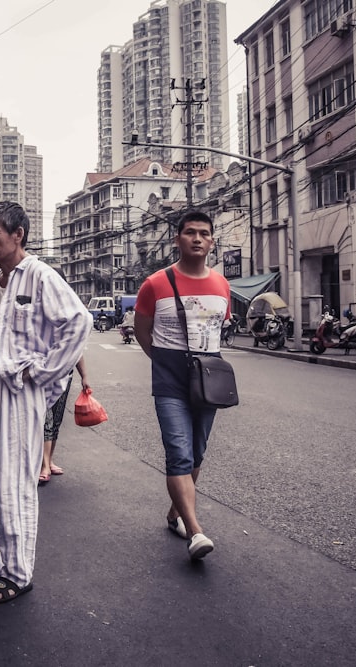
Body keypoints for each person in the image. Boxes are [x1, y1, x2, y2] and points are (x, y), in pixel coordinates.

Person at [0, 201, 92, 604]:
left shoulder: (41, 276)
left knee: (13, 482)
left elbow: (79, 323)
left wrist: (42, 373)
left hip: (18, 390)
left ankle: (16, 573)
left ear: (18, 235)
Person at [132, 210, 231, 561]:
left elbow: (220, 329)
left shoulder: (222, 285)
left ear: (212, 241)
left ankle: (175, 512)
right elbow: (142, 329)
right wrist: (161, 361)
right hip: (170, 379)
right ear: (178, 239)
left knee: (197, 454)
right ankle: (195, 531)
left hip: (208, 380)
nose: (197, 238)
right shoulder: (156, 283)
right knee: (179, 452)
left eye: (204, 233)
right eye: (190, 232)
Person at [39, 356, 89, 485]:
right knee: (46, 421)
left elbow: (77, 352)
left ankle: (49, 461)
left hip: (65, 376)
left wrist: (84, 376)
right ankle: (44, 466)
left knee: (56, 419)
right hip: (43, 376)